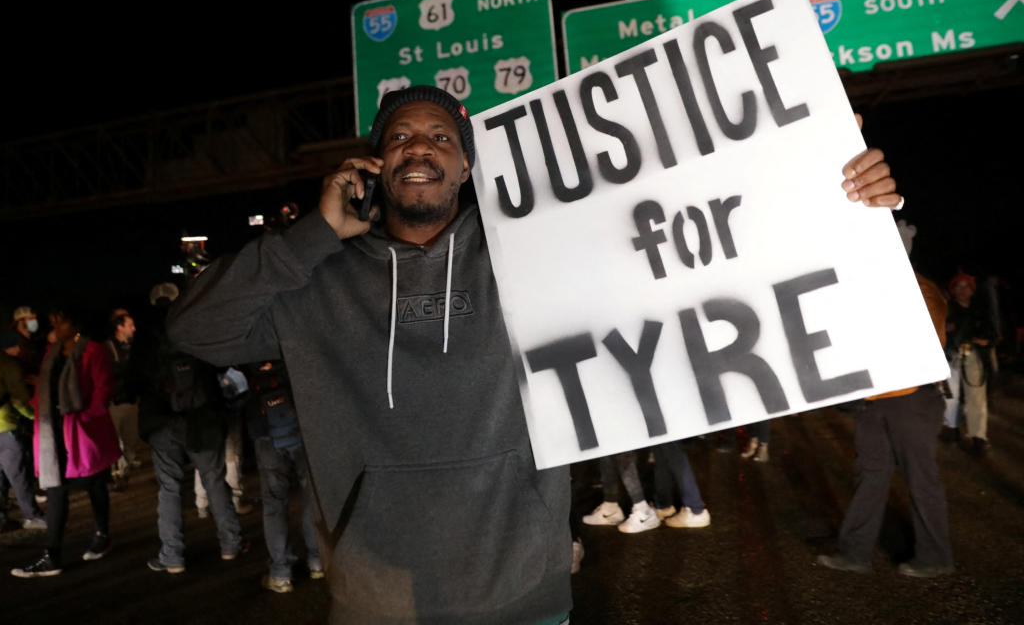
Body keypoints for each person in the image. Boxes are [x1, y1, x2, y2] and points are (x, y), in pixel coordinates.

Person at [167, 87, 903, 623]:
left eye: (440, 138)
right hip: (379, 605)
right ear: (372, 163)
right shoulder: (314, 280)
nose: (419, 146)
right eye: (399, 137)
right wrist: (313, 236)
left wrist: (830, 191)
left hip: (526, 600)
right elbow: (194, 330)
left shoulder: (533, 252)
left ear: (465, 171)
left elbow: (700, 250)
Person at [817, 272, 955, 577]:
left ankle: (935, 556)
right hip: (874, 401)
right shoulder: (860, 288)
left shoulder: (920, 287)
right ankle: (854, 552)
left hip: (912, 399)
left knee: (921, 478)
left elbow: (933, 333)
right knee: (870, 476)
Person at [11, 306, 120, 578]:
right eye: (53, 323)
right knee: (55, 489)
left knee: (95, 483)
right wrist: (35, 409)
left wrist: (87, 417)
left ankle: (102, 534)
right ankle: (52, 555)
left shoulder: (93, 350)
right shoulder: (53, 353)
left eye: (59, 323)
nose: (54, 329)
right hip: (52, 430)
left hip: (83, 430)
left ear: (75, 325)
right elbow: (45, 387)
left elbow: (103, 389)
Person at [138, 308, 243, 573]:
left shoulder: (149, 346)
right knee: (215, 480)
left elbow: (135, 383)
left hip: (164, 425)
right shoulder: (198, 337)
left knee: (170, 488)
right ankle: (231, 544)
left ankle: (172, 557)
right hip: (203, 421)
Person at [245, 358, 323, 592]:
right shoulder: (287, 337)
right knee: (311, 497)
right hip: (300, 429)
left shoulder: (243, 347)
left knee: (274, 504)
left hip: (265, 435)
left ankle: (281, 574)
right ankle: (317, 562)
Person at [0, 332, 46, 534]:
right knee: (19, 474)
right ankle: (32, 516)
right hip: (4, 426)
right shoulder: (8, 365)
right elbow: (19, 399)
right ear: (14, 346)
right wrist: (35, 415)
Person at [943, 273, 994, 456]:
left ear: (972, 290)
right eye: (958, 286)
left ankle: (978, 436)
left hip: (974, 356)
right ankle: (952, 428)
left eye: (966, 287)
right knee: (950, 395)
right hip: (950, 356)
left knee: (976, 396)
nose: (962, 290)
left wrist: (986, 341)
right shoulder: (946, 309)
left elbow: (993, 333)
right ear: (953, 290)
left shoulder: (981, 310)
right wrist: (946, 330)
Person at [106, 310, 142, 487]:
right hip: (116, 401)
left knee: (130, 438)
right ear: (119, 327)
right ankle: (119, 472)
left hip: (131, 399)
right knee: (116, 440)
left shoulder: (135, 347)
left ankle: (124, 467)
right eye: (130, 325)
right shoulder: (108, 348)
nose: (134, 329)